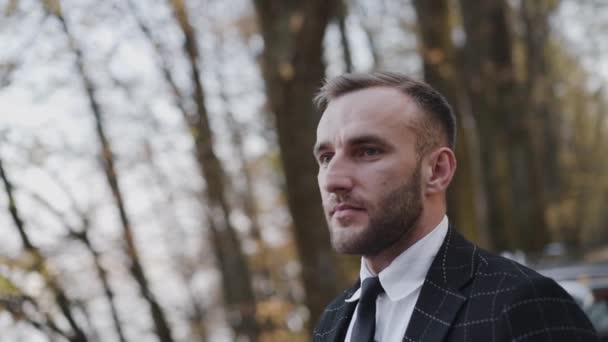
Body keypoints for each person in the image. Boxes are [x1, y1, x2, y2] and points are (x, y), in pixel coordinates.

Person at [311, 72, 598, 342]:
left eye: (368, 151)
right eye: (326, 158)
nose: (334, 180)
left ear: (436, 171)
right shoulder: (331, 321)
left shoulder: (524, 306)